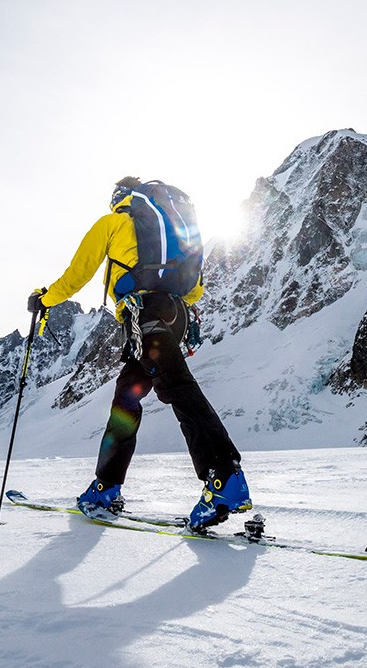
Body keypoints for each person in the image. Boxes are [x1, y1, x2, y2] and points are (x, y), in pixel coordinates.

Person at [30, 176, 250, 530]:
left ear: (119, 198)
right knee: (126, 401)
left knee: (177, 389)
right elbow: (195, 291)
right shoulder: (174, 231)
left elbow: (77, 274)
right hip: (174, 315)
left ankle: (224, 480)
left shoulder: (113, 222)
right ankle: (106, 485)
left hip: (144, 316)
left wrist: (45, 299)